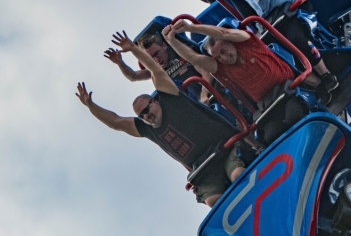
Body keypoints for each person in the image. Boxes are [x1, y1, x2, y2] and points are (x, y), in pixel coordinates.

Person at [76, 32, 247, 206]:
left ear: (155, 102)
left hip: (201, 106)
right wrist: (91, 105)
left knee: (237, 173)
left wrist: (205, 93)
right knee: (213, 201)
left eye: (146, 109)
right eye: (141, 115)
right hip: (203, 159)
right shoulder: (148, 127)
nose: (146, 115)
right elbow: (117, 121)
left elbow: (164, 68)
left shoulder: (170, 92)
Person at [199, 0, 340, 100]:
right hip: (272, 23)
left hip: (293, 10)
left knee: (296, 38)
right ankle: (316, 85)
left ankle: (326, 75)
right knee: (278, 57)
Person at [161, 19, 312, 145]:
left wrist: (192, 28)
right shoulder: (223, 68)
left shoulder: (247, 42)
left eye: (223, 51)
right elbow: (194, 58)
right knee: (272, 136)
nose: (224, 58)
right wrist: (171, 40)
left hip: (289, 88)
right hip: (269, 103)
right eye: (218, 57)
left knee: (295, 116)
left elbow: (223, 32)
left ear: (230, 43)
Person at [104, 30, 199, 88]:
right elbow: (133, 76)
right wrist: (119, 62)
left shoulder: (179, 49)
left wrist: (204, 94)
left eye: (157, 53)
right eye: (151, 58)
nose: (156, 60)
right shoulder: (154, 70)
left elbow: (202, 65)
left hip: (204, 85)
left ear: (164, 46)